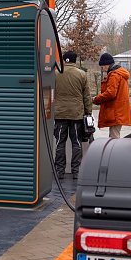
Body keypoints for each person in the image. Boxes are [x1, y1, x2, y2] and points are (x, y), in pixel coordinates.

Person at [52, 50, 92, 181]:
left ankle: (59, 171)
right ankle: (76, 171)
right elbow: (87, 96)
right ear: (75, 61)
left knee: (59, 142)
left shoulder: (56, 74)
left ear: (64, 60)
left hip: (60, 114)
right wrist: (88, 112)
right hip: (76, 114)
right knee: (76, 143)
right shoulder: (81, 74)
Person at [93, 52, 131, 139]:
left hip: (116, 112)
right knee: (114, 135)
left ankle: (115, 149)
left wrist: (96, 99)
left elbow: (110, 93)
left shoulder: (114, 75)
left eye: (102, 66)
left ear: (106, 65)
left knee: (114, 138)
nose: (102, 69)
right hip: (119, 111)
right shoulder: (120, 74)